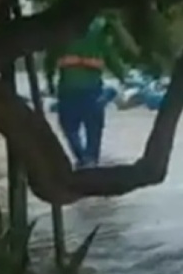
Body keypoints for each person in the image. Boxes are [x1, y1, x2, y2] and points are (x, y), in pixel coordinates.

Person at [44, 15, 127, 169]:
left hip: (68, 89)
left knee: (69, 128)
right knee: (94, 128)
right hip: (92, 89)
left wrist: (49, 81)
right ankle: (90, 160)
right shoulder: (100, 31)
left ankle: (81, 157)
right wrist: (123, 77)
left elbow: (50, 59)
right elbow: (112, 59)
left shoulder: (62, 30)